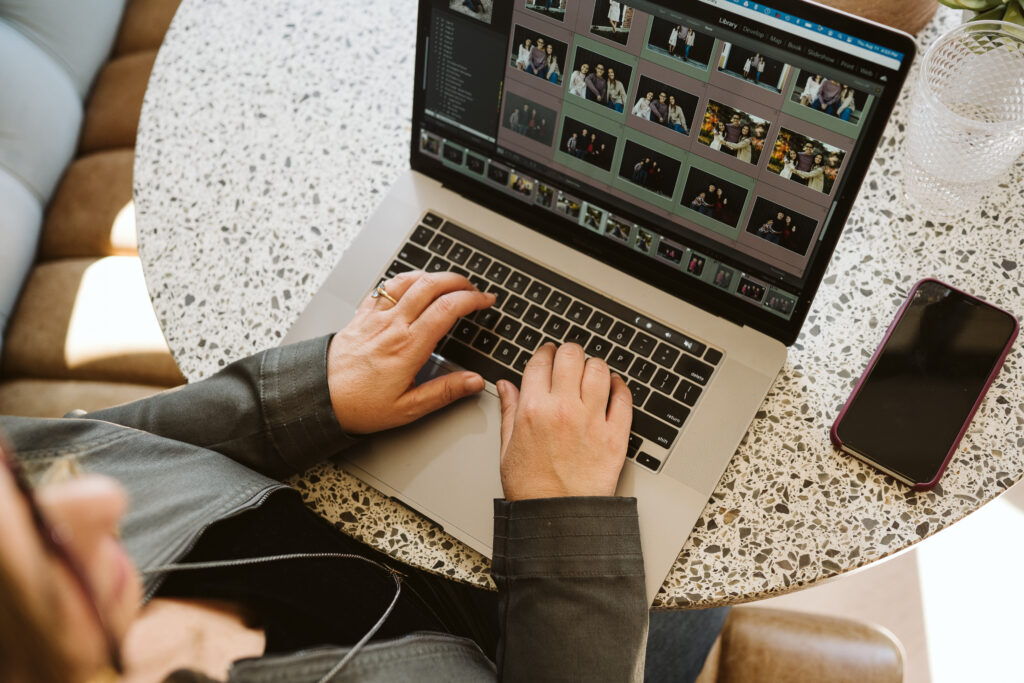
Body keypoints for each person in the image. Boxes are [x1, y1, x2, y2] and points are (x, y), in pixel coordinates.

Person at [0, 270, 731, 682]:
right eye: (44, 553)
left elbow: (108, 443)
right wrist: (566, 526)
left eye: (24, 500)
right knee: (703, 561)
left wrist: (308, 395)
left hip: (353, 548)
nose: (89, 494)